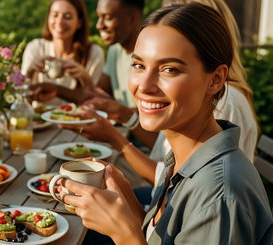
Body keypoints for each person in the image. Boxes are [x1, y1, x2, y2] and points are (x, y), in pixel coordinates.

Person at [59, 3, 272, 244]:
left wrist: (125, 234)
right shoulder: (183, 157)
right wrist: (131, 205)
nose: (145, 86)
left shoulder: (219, 197)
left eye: (169, 69)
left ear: (215, 79)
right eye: (139, 65)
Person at [22, 0, 105, 105]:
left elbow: (97, 103)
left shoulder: (94, 53)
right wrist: (30, 72)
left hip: (77, 120)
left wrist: (85, 78)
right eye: (55, 15)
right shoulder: (35, 48)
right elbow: (21, 99)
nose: (59, 22)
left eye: (67, 17)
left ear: (79, 22)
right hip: (39, 120)